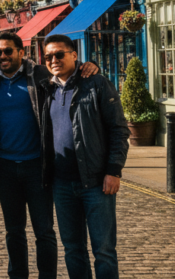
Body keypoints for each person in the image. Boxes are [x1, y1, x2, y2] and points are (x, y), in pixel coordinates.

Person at [0, 32, 101, 279]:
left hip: (37, 166)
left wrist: (90, 65)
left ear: (21, 52)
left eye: (8, 51)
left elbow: (67, 69)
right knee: (14, 231)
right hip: (6, 167)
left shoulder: (41, 74)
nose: (3, 56)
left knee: (44, 231)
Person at [41, 34, 130, 279]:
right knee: (73, 249)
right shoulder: (47, 88)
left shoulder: (96, 83)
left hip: (95, 182)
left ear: (74, 55)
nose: (54, 60)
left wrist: (114, 170)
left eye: (60, 54)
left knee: (103, 250)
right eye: (49, 56)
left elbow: (118, 129)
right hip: (61, 184)